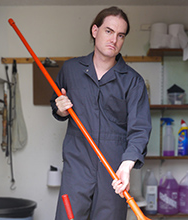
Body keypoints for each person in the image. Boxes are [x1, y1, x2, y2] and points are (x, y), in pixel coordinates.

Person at [51, 6, 152, 220]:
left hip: (113, 171)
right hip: (77, 166)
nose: (114, 39)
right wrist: (60, 109)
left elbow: (140, 129)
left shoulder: (133, 81)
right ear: (95, 31)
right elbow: (56, 105)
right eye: (108, 31)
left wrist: (126, 166)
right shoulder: (70, 70)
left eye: (120, 35)